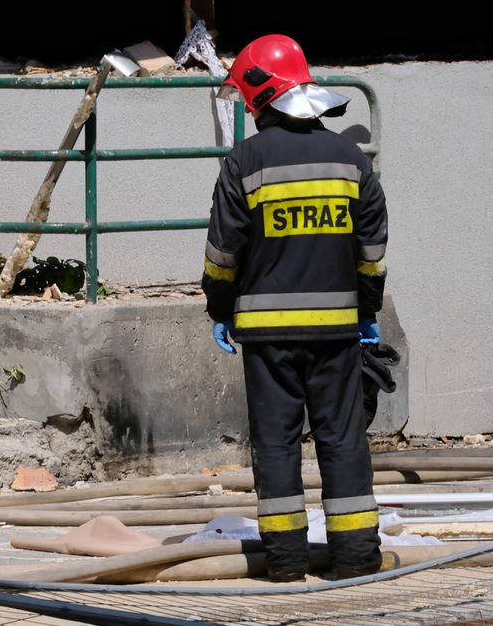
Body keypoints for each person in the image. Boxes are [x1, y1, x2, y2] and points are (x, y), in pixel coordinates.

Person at [202, 34, 388, 581]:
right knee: (344, 441)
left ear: (260, 94)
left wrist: (219, 308)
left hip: (266, 337)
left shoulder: (246, 160)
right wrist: (366, 309)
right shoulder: (350, 159)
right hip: (337, 331)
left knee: (277, 445)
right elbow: (372, 248)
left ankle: (284, 564)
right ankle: (356, 561)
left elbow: (223, 251)